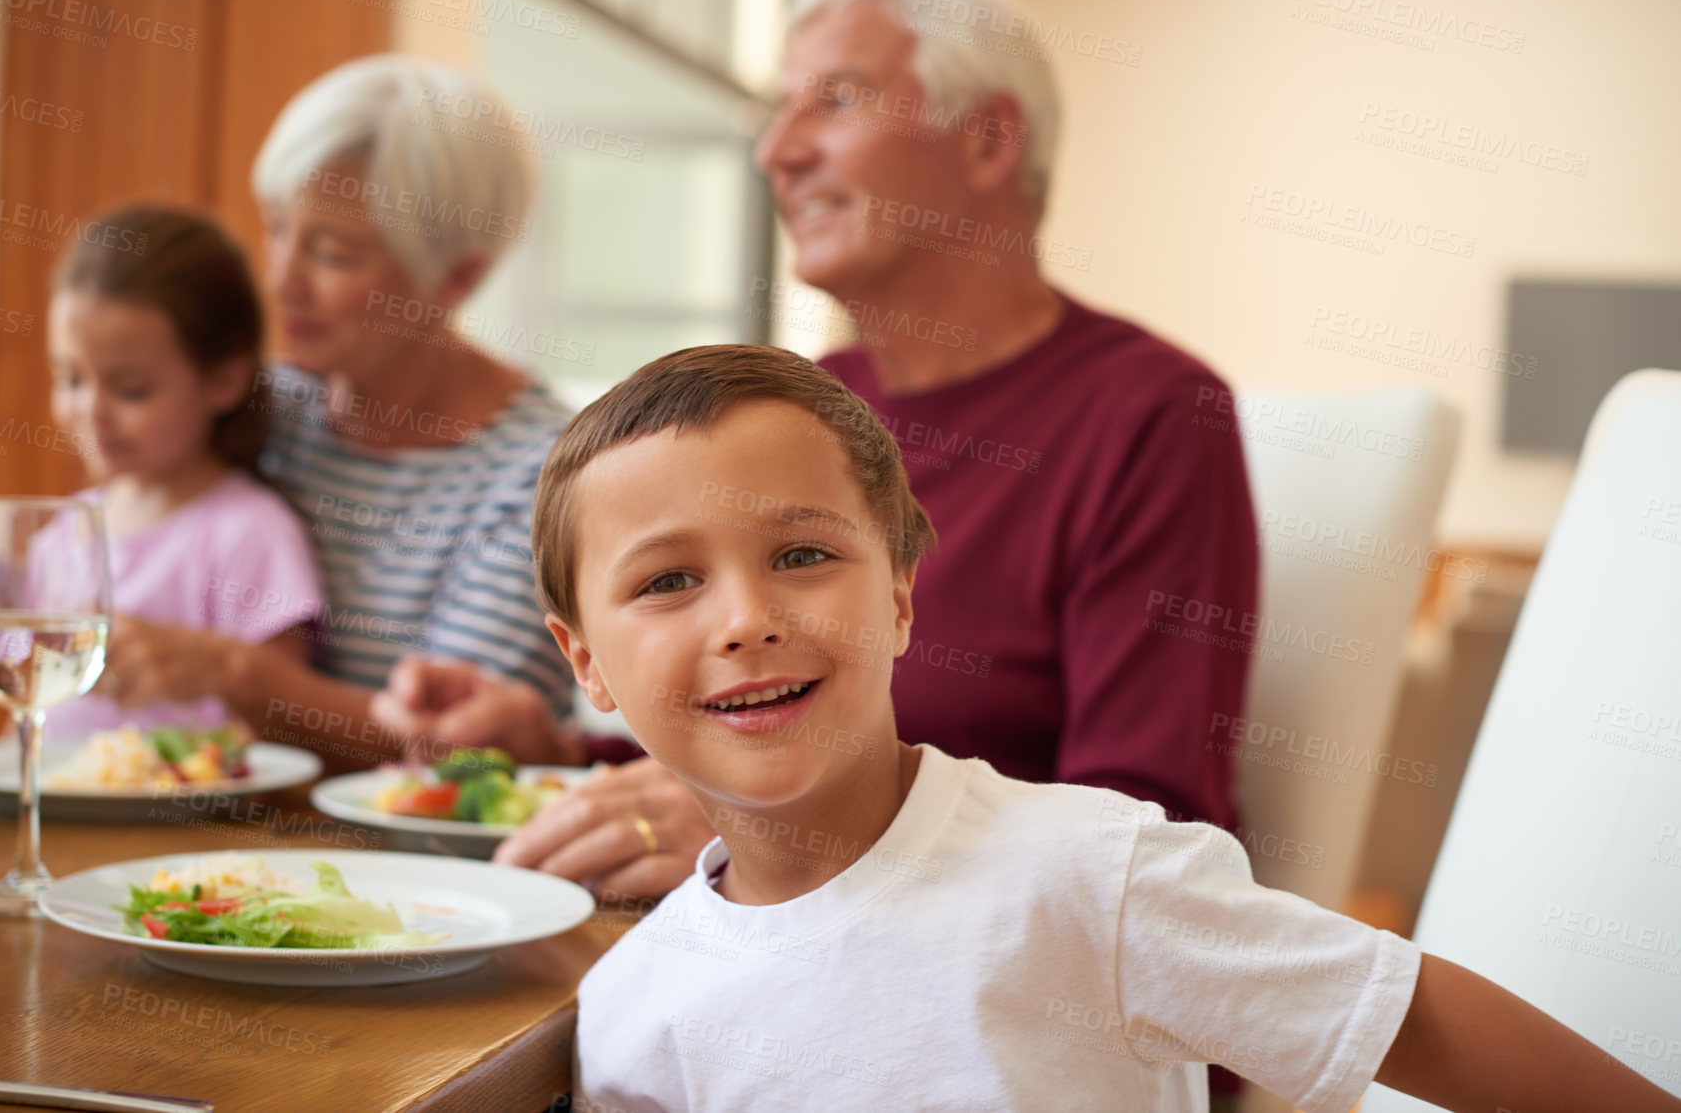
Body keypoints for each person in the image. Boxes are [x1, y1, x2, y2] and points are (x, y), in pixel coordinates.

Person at [537, 344, 1678, 1113]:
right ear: (585, 660)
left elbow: (1403, 1016)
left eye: (802, 556)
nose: (747, 619)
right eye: (669, 581)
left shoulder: (1091, 872)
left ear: (896, 595)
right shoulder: (632, 1008)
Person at [388, 0, 1257, 898]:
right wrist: (553, 746)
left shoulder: (1152, 414)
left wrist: (767, 820)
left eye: (834, 100)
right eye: (776, 110)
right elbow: (770, 709)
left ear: (988, 140)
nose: (775, 151)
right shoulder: (811, 407)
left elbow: (1146, 823)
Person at [94, 56, 576, 772]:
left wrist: (237, 674)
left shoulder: (543, 473)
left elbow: (454, 746)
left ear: (457, 276)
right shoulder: (254, 405)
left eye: (331, 251)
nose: (281, 279)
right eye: (278, 228)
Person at [44, 204, 321, 743]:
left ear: (223, 380)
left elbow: (278, 729)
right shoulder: (64, 531)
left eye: (130, 390)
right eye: (71, 379)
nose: (91, 412)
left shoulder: (249, 533)